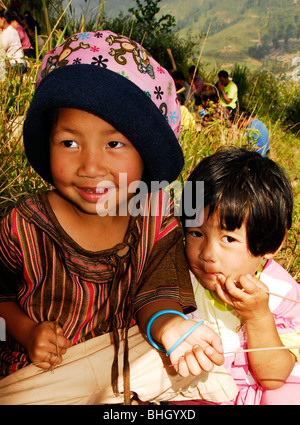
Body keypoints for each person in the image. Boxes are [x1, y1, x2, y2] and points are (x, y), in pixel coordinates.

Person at [0, 31, 237, 405]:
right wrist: (27, 332)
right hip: (39, 377)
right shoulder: (21, 224)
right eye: (69, 143)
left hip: (121, 369)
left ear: (145, 154)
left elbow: (155, 292)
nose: (91, 166)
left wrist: (171, 326)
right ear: (48, 143)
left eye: (114, 144)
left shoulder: (157, 218)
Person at [179, 147, 300, 405]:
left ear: (271, 244)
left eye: (229, 238)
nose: (208, 254)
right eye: (196, 233)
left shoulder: (281, 294)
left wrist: (258, 316)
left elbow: (274, 378)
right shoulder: (179, 277)